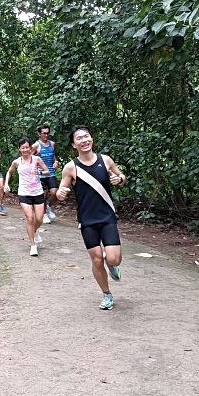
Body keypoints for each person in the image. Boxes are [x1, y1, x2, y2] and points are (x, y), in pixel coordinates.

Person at [57, 125, 127, 310]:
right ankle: (107, 295)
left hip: (107, 216)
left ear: (92, 139)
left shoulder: (105, 160)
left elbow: (121, 176)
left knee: (113, 259)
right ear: (74, 144)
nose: (84, 140)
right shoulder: (71, 167)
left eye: (86, 136)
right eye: (79, 138)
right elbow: (61, 191)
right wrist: (61, 194)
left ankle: (112, 266)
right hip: (87, 220)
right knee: (96, 259)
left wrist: (119, 179)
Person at [4, 138, 50, 256]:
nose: (25, 150)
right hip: (24, 193)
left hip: (37, 192)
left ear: (30, 148)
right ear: (19, 149)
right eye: (22, 148)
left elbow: (47, 172)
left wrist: (39, 173)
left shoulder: (36, 159)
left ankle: (33, 231)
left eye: (27, 147)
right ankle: (33, 245)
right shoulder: (16, 162)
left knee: (39, 219)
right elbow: (9, 172)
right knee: (30, 218)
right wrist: (6, 184)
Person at [31, 125, 59, 224]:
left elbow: (53, 156)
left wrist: (55, 162)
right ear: (39, 134)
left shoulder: (52, 144)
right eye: (44, 133)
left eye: (48, 133)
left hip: (50, 172)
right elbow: (29, 158)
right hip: (40, 174)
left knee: (55, 193)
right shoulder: (36, 145)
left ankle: (48, 208)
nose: (46, 135)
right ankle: (43, 214)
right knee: (43, 194)